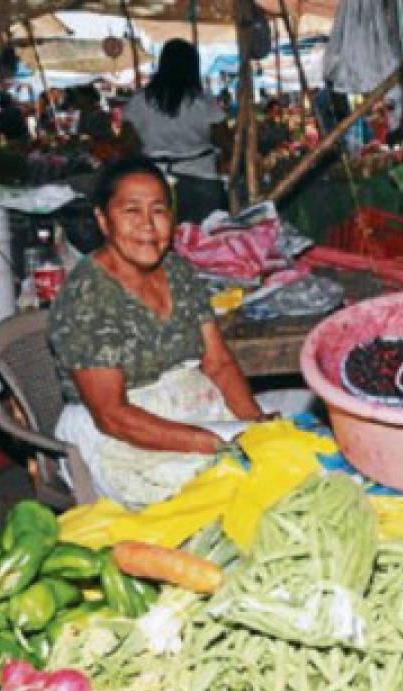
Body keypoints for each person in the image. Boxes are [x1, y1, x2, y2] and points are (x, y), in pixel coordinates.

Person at [48, 157, 270, 506]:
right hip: (120, 432)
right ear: (103, 220)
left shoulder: (177, 270)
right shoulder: (86, 297)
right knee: (219, 489)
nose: (148, 226)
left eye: (159, 211)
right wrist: (210, 443)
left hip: (186, 404)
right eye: (131, 211)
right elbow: (112, 415)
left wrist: (257, 426)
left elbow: (218, 364)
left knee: (274, 458)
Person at [122, 39, 231, 224]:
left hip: (155, 180)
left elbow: (127, 144)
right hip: (201, 179)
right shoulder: (204, 102)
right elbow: (225, 141)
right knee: (203, 243)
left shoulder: (139, 101)